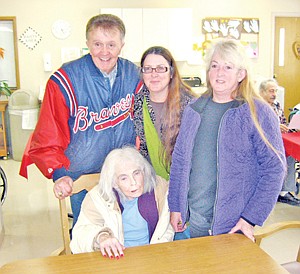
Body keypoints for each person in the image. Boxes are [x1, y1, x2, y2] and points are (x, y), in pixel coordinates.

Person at [22, 14, 141, 225]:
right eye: (97, 44)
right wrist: (58, 173)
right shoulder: (65, 79)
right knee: (88, 235)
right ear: (87, 44)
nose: (104, 52)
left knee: (128, 233)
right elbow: (49, 131)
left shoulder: (134, 74)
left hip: (125, 175)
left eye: (111, 44)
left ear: (122, 45)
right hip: (82, 178)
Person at [168, 38, 286, 242]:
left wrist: (249, 219)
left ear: (241, 74)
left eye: (228, 67)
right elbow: (179, 161)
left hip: (232, 227)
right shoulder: (194, 109)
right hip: (191, 223)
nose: (219, 73)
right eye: (214, 66)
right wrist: (176, 206)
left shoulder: (258, 113)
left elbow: (275, 169)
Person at [133, 46, 195, 239]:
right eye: (148, 68)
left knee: (182, 243)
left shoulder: (191, 104)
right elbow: (142, 147)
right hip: (154, 187)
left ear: (171, 72)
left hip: (187, 189)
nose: (154, 74)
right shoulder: (138, 102)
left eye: (160, 68)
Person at [70, 146, 174, 258]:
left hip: (155, 257)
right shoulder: (98, 198)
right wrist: (101, 237)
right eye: (124, 178)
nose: (133, 182)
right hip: (116, 259)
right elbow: (78, 238)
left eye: (136, 173)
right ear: (114, 182)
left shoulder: (160, 188)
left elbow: (168, 228)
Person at [259, 78, 300, 206]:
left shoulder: (276, 105)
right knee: (284, 154)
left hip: (279, 139)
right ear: (262, 92)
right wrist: (275, 127)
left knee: (292, 153)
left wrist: (290, 127)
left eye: (275, 91)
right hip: (263, 142)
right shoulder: (257, 106)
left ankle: (285, 190)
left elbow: (282, 122)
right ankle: (279, 190)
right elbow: (256, 127)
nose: (274, 94)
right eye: (271, 91)